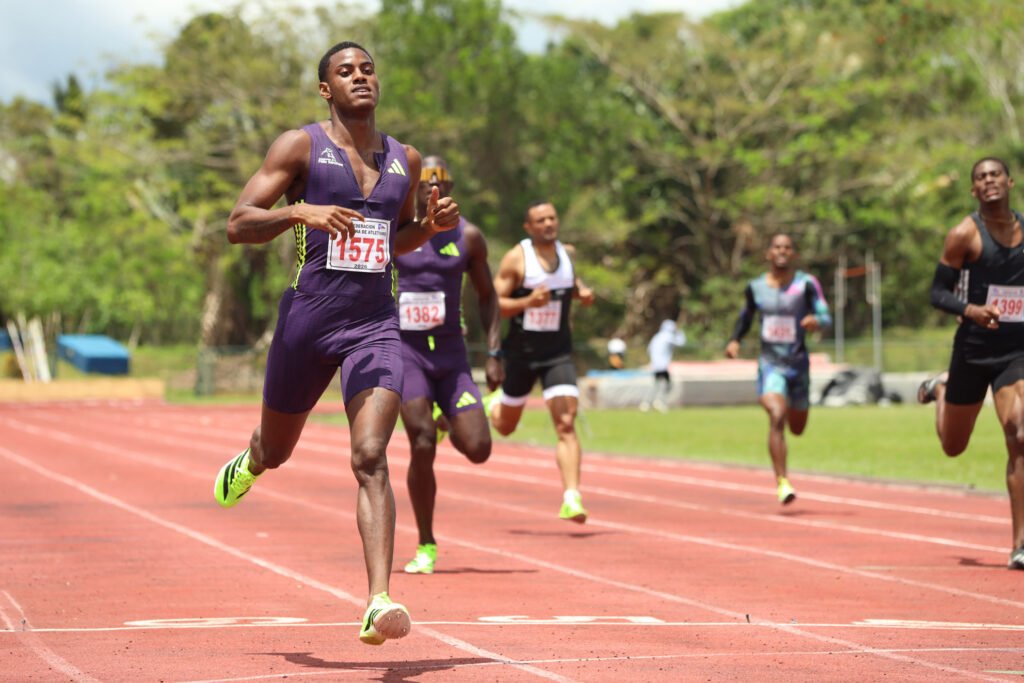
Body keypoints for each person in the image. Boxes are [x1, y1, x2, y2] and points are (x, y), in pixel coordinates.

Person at [212, 41, 462, 645]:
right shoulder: (298, 147)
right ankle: (252, 461)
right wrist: (300, 213)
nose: (360, 77)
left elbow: (395, 240)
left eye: (368, 69)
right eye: (346, 72)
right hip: (307, 322)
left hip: (375, 325)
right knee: (277, 450)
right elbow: (238, 224)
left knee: (370, 455)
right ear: (326, 89)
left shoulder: (405, 158)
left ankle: (378, 600)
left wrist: (428, 227)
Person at [394, 155, 504, 575]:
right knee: (421, 441)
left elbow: (488, 296)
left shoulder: (469, 236)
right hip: (407, 351)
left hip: (451, 353)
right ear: (414, 187)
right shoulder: (398, 231)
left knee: (478, 449)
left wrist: (494, 352)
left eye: (441, 181)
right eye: (425, 180)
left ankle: (446, 421)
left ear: (451, 187)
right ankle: (426, 543)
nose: (433, 187)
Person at [918, 157, 1024, 570]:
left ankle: (1019, 544)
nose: (988, 181)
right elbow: (937, 293)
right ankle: (943, 390)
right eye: (981, 177)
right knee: (953, 446)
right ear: (973, 190)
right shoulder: (964, 234)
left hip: (1016, 351)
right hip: (974, 351)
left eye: (995, 174)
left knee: (1019, 434)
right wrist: (972, 310)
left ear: (1009, 182)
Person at [487, 201, 595, 522]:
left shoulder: (567, 254)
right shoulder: (517, 258)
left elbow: (571, 285)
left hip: (558, 354)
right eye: (541, 220)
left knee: (566, 423)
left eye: (552, 218)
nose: (548, 224)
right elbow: (493, 304)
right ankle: (493, 405)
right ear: (529, 227)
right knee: (505, 427)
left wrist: (582, 293)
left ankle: (572, 497)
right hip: (521, 356)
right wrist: (527, 302)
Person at [724, 233, 831, 505]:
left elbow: (825, 315)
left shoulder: (806, 284)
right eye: (777, 247)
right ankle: (782, 481)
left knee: (797, 427)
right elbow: (746, 317)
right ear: (768, 254)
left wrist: (815, 320)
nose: (782, 251)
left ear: (793, 254)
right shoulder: (756, 287)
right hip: (771, 364)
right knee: (776, 413)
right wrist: (735, 340)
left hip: (798, 365)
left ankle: (793, 410)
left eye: (787, 247)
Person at [639, 320, 686, 412]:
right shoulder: (668, 336)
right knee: (667, 385)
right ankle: (659, 401)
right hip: (662, 365)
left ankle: (647, 403)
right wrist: (680, 333)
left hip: (655, 365)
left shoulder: (657, 336)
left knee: (657, 384)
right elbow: (681, 343)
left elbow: (649, 349)